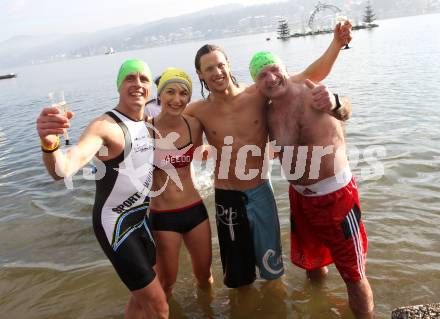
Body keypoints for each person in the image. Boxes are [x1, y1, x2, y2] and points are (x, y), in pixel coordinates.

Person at [185, 21, 353, 288]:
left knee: (272, 272)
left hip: (260, 189)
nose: (217, 72)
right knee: (238, 279)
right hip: (227, 196)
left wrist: (336, 44)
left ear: (228, 65)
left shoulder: (256, 95)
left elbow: (312, 73)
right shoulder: (196, 111)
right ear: (200, 75)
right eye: (209, 69)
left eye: (220, 65)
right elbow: (168, 126)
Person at [36, 59, 169, 319]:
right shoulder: (105, 127)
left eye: (144, 79)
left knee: (141, 299)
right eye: (130, 78)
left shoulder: (149, 121)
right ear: (119, 86)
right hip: (115, 227)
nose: (138, 84)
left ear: (150, 89)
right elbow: (61, 169)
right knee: (159, 307)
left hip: (141, 221)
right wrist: (50, 144)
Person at [249, 51, 374, 318]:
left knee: (353, 274)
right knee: (312, 264)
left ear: (284, 68)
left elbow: (346, 111)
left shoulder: (310, 92)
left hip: (337, 197)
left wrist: (336, 101)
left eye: (274, 69)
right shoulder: (268, 113)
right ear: (257, 85)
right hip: (300, 198)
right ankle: (320, 306)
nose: (271, 78)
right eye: (262, 75)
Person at [146, 67, 213, 297]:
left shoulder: (193, 125)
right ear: (160, 95)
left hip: (195, 210)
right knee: (167, 283)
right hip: (163, 217)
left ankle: (208, 312)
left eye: (183, 93)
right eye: (170, 92)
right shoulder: (145, 130)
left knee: (205, 277)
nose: (177, 99)